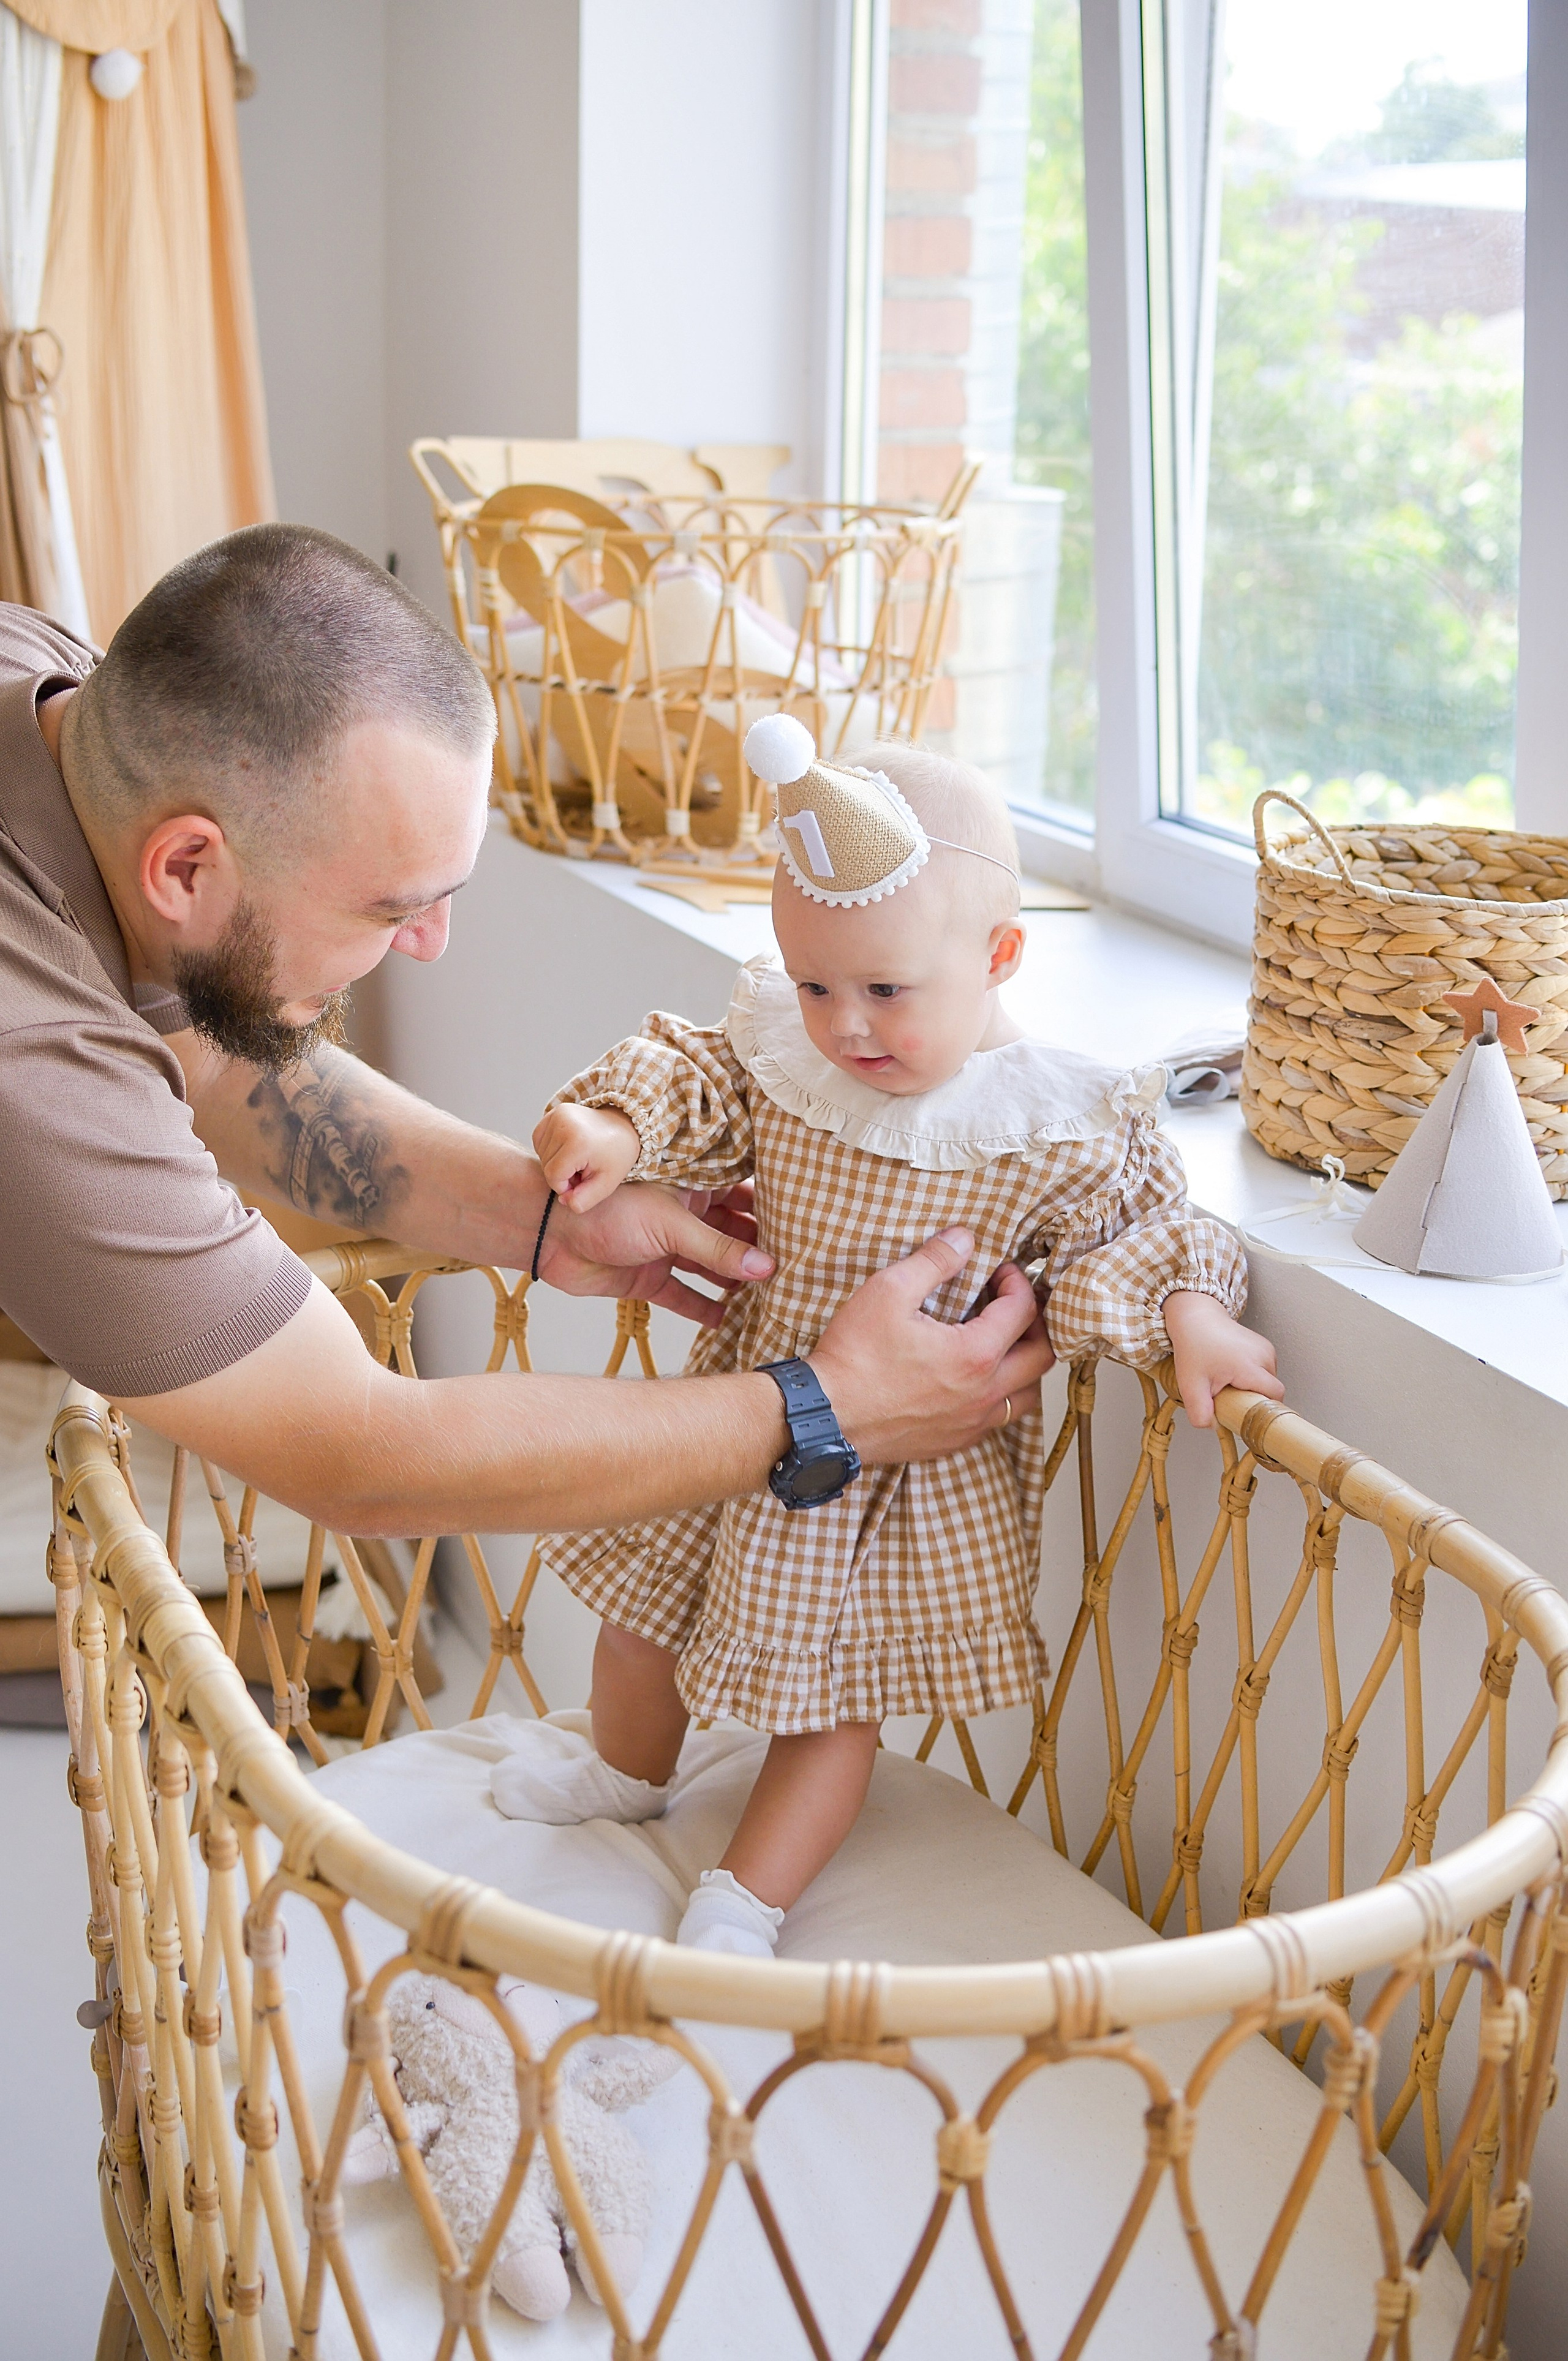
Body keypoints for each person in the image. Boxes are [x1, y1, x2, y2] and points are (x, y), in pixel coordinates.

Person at [0, 527, 1054, 1550]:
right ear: (184, 868)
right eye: (389, 908)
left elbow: (199, 1066)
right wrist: (830, 1407)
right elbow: (361, 1454)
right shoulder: (29, 1056)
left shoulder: (54, 692)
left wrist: (539, 1220)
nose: (429, 946)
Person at [498, 724, 1282, 1956]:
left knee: (832, 1705)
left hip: (898, 1474)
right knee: (639, 1619)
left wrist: (1185, 1308)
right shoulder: (786, 1064)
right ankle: (626, 1771)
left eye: (882, 990)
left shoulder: (1049, 1122)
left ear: (1000, 956)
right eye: (813, 985)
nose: (844, 1026)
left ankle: (742, 1900)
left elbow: (1126, 1232)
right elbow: (695, 1077)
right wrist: (609, 1122)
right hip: (744, 1405)